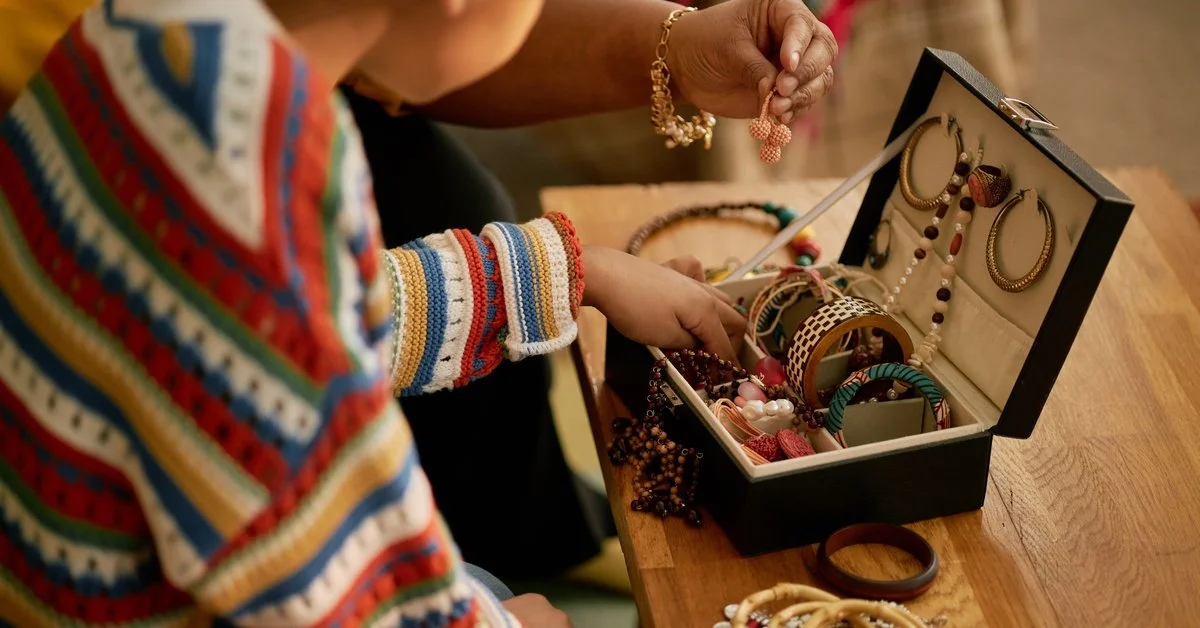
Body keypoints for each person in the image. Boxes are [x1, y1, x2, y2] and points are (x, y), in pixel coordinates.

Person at [0, 1, 836, 626]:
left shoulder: (164, 39)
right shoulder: (243, 191)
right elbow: (327, 591)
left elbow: (334, 315)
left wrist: (579, 273)